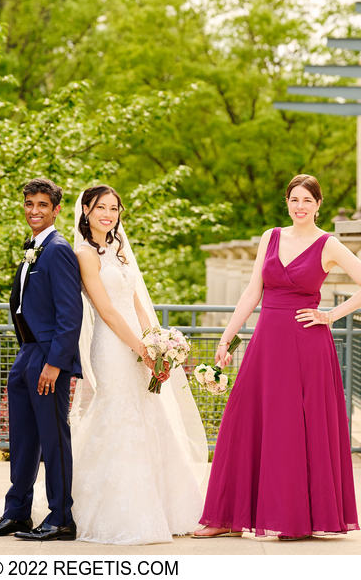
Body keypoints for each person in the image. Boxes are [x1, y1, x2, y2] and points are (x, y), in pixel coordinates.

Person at [193, 174, 361, 540]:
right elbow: (253, 291)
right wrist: (228, 335)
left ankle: (294, 518)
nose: (300, 206)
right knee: (242, 421)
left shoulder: (329, 244)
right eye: (294, 199)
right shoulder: (271, 236)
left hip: (307, 346)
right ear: (287, 202)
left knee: (293, 429)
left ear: (318, 204)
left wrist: (328, 315)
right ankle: (226, 517)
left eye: (307, 200)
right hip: (267, 342)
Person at [69, 185, 208, 544]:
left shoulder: (118, 249)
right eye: (101, 207)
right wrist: (139, 348)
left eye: (114, 208)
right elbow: (107, 309)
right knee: (120, 413)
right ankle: (120, 511)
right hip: (112, 346)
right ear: (86, 210)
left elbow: (136, 301)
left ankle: (169, 507)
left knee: (150, 412)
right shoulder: (84, 253)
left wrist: (156, 343)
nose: (109, 214)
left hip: (138, 342)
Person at [0, 178, 83, 542]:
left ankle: (61, 517)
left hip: (48, 358)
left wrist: (55, 362)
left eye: (42, 205)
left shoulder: (58, 249)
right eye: (29, 204)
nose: (34, 210)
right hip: (26, 353)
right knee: (22, 440)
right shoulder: (33, 247)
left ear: (56, 210)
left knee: (53, 440)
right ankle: (17, 512)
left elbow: (71, 313)